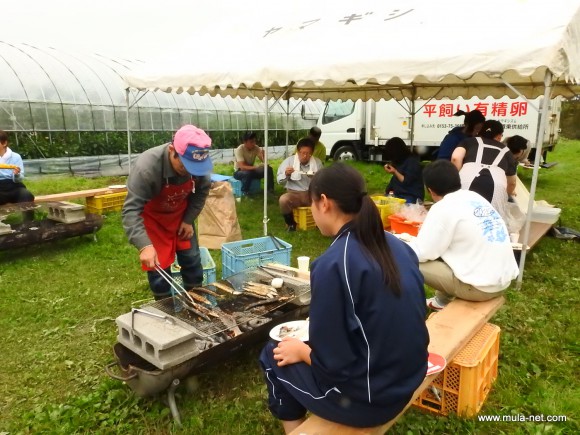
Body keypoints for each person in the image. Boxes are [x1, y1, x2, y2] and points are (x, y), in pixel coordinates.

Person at [259, 163, 429, 432]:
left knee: (272, 353)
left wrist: (302, 351)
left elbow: (333, 366)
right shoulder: (396, 244)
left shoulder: (333, 264)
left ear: (323, 203)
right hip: (410, 377)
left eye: (313, 205)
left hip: (371, 401)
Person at [409, 160, 518, 310]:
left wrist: (398, 243)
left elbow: (423, 252)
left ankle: (405, 305)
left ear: (430, 190)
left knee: (405, 259)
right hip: (501, 281)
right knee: (447, 247)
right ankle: (440, 301)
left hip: (479, 288)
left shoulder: (443, 207)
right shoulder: (475, 197)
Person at [122, 124, 212, 300]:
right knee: (159, 270)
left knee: (192, 259)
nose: (191, 171)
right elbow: (131, 210)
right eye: (186, 165)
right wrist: (144, 246)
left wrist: (188, 219)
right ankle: (165, 308)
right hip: (154, 220)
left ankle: (197, 302)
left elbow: (202, 191)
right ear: (172, 150)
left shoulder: (199, 162)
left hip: (180, 216)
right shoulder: (147, 168)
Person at [451, 120, 517, 225]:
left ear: (480, 132)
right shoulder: (506, 151)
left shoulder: (469, 141)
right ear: (499, 136)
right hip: (497, 186)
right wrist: (505, 195)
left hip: (466, 180)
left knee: (461, 217)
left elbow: (455, 158)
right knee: (490, 224)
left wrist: (456, 177)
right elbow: (512, 182)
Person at [277, 138, 322, 231]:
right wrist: (286, 174)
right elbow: (279, 181)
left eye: (308, 153)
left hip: (311, 193)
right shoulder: (289, 161)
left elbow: (323, 182)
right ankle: (291, 224)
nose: (305, 156)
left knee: (325, 198)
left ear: (312, 153)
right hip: (294, 194)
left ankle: (320, 222)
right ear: (298, 151)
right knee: (283, 200)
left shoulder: (317, 163)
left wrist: (315, 177)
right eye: (302, 153)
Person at [0, 129, 35, 222]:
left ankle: (28, 224)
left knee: (26, 195)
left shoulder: (15, 157)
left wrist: (16, 174)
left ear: (4, 143)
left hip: (13, 186)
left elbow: (19, 179)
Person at [382, 137, 424, 203]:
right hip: (399, 194)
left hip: (412, 196)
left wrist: (395, 172)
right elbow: (393, 182)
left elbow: (406, 181)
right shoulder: (399, 161)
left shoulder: (412, 162)